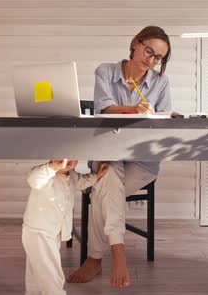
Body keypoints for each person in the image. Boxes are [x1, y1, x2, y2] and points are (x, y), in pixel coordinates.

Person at [67, 26, 172, 288]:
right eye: (149, 50)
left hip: (141, 160)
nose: (151, 59)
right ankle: (117, 251)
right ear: (136, 43)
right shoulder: (106, 71)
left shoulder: (160, 83)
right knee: (108, 174)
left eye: (158, 57)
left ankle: (95, 258)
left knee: (103, 186)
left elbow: (165, 124)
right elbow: (103, 109)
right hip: (107, 153)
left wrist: (152, 117)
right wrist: (133, 109)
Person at [22, 159, 108, 295]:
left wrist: (96, 176)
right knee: (51, 270)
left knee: (38, 268)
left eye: (73, 157)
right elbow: (33, 179)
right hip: (39, 232)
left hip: (52, 232)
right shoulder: (46, 175)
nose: (68, 160)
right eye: (63, 156)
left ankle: (34, 292)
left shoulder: (72, 176)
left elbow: (82, 182)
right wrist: (51, 167)